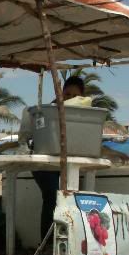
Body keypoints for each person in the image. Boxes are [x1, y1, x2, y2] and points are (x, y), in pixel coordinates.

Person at [33, 75, 85, 241]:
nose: (69, 98)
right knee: (52, 197)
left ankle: (67, 242)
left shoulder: (83, 115)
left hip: (66, 164)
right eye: (67, 94)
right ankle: (47, 244)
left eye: (74, 96)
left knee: (69, 199)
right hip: (44, 163)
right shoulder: (48, 111)